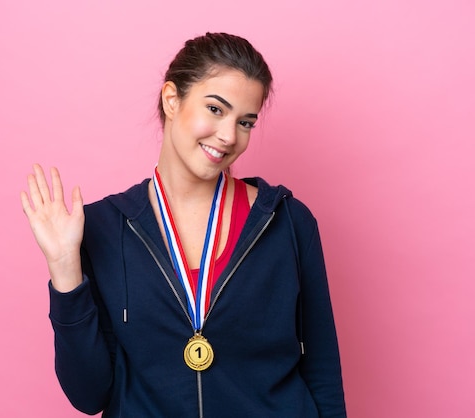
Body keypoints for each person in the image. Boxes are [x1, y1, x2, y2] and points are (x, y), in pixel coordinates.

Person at [21, 32, 346, 418]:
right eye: (215, 109)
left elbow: (323, 375)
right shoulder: (103, 228)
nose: (229, 136)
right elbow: (90, 395)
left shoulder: (288, 223)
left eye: (245, 122)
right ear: (172, 99)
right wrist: (64, 269)